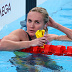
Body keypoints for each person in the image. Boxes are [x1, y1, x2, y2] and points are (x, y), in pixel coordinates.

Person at [0, 7, 72, 51]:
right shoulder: (20, 34)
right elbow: (2, 45)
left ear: (45, 25)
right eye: (29, 21)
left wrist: (56, 25)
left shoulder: (46, 38)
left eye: (37, 22)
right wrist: (31, 43)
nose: (32, 26)